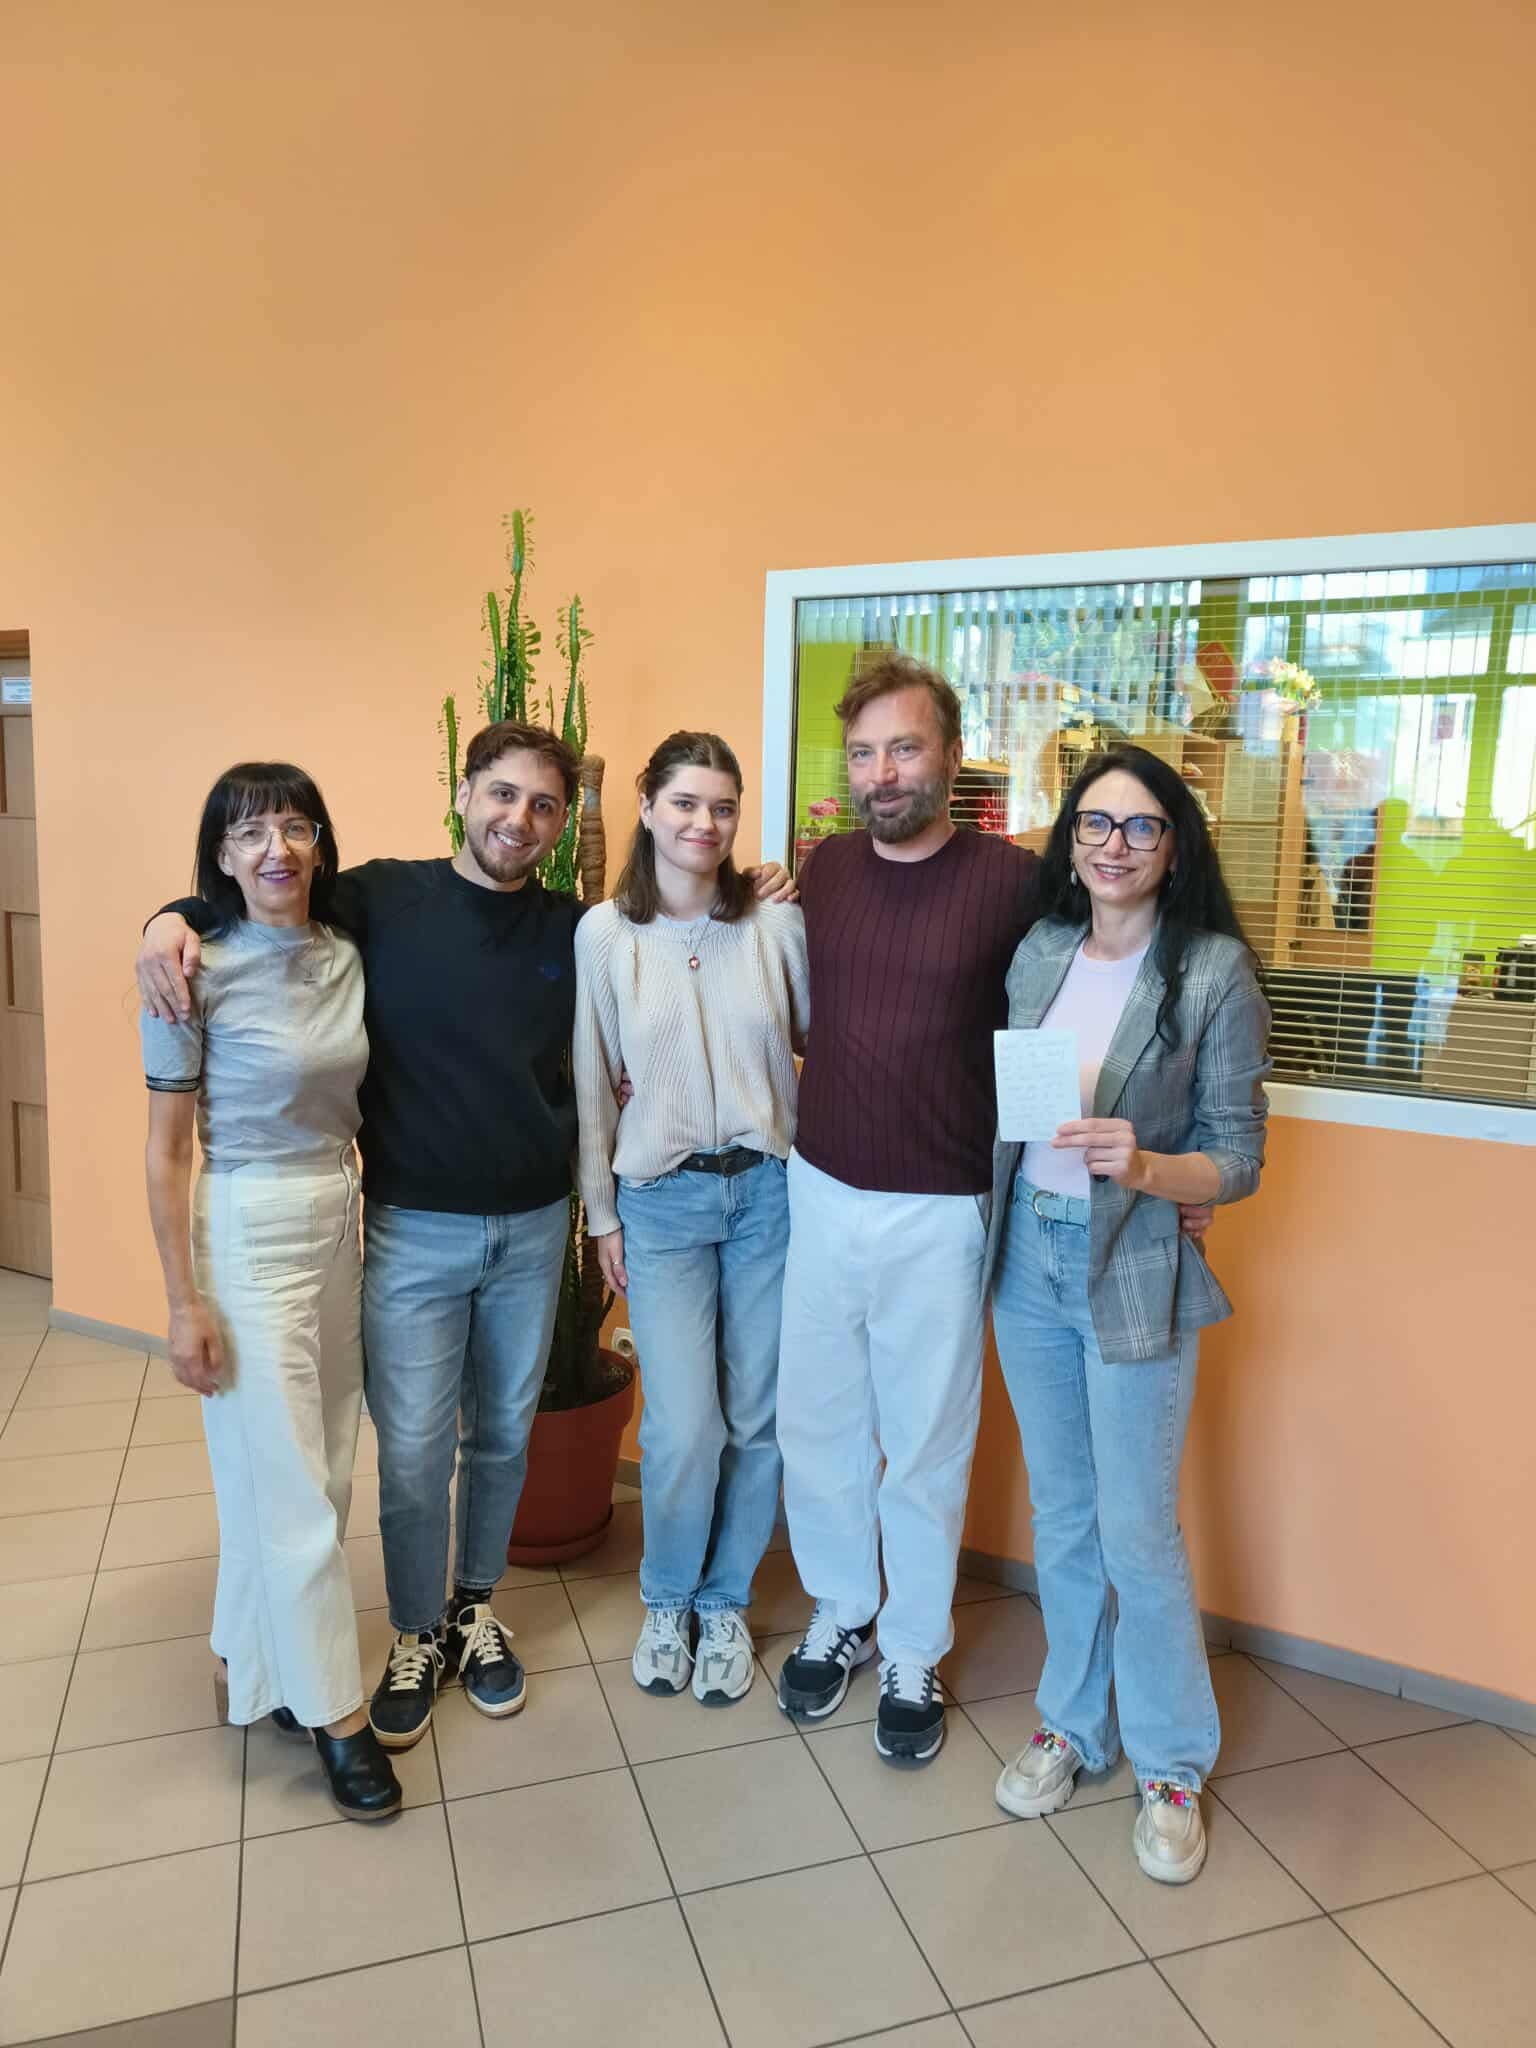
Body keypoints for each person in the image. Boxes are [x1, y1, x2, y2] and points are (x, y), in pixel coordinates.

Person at [137, 720, 793, 1754]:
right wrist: (165, 922)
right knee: (408, 1449)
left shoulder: (579, 930)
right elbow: (264, 884)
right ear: (463, 791)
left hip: (534, 1226)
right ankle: (414, 1630)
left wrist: (757, 892)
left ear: (562, 821)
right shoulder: (382, 898)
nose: (518, 820)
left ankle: (473, 1608)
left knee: (500, 1438)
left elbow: (658, 983)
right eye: (501, 794)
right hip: (410, 1230)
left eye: (543, 804)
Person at [984, 744, 1269, 1885]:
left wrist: (1148, 1165)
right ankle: (1071, 1722)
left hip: (1135, 1261)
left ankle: (1170, 1762)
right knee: (1061, 1514)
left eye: (1142, 826)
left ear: (1174, 847)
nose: (1114, 844)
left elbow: (1238, 1158)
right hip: (1026, 1259)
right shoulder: (1040, 951)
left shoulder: (1212, 973)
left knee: (1136, 1528)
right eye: (1096, 823)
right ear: (1070, 844)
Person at [771, 652, 1043, 1766]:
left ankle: (914, 1646)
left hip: (943, 1203)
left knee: (926, 1440)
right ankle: (841, 1607)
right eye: (864, 752)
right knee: (819, 1422)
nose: (882, 772)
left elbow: (1048, 1030)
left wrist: (1047, 1180)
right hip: (822, 1182)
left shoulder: (1014, 882)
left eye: (904, 747)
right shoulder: (822, 868)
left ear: (951, 755)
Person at [141, 763, 401, 1820]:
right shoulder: (189, 972)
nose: (276, 849)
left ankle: (256, 1662)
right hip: (247, 1222)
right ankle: (336, 1715)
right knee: (289, 1483)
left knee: (320, 1464)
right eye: (250, 833)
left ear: (321, 844)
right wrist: (182, 1302)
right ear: (221, 854)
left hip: (337, 1211)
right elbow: (166, 1153)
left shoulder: (345, 951)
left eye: (295, 827)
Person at [574, 732, 809, 1705]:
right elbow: (593, 1075)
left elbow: (820, 1037)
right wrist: (601, 1213)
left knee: (757, 1416)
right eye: (684, 803)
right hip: (661, 1202)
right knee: (681, 1426)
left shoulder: (774, 923)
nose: (704, 823)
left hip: (767, 1194)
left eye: (722, 807)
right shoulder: (605, 934)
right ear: (646, 805)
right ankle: (667, 1597)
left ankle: (724, 1601)